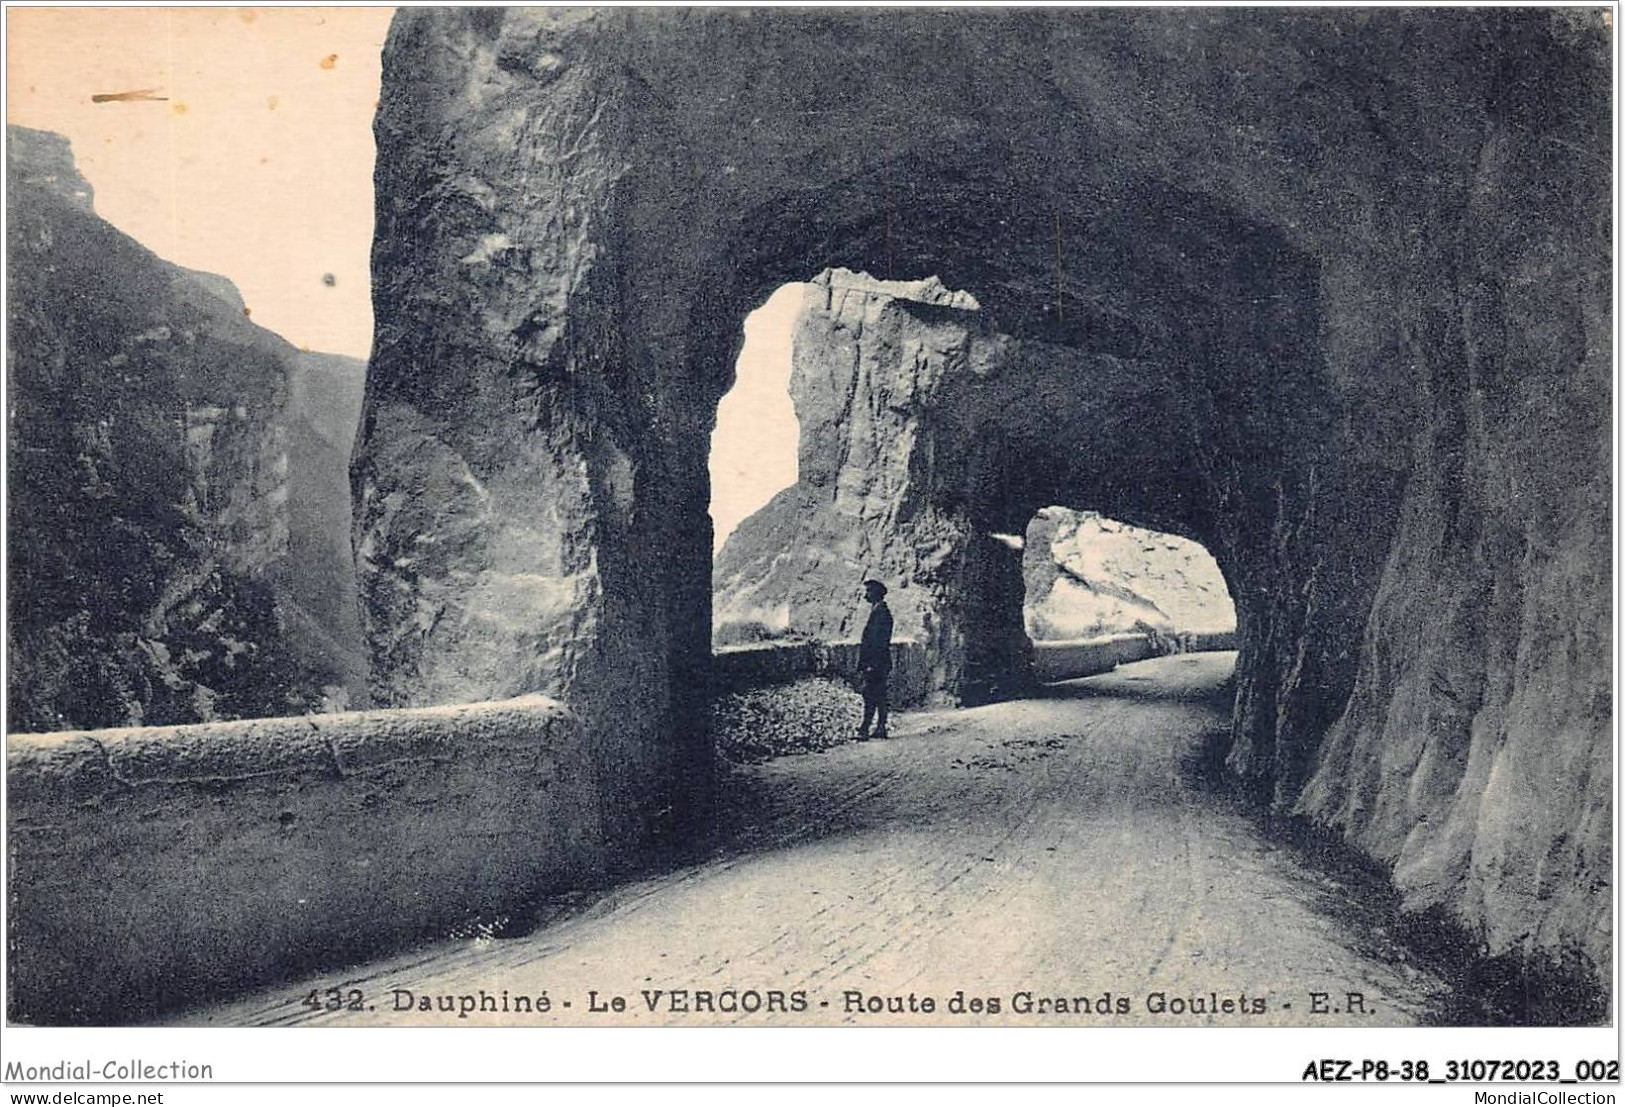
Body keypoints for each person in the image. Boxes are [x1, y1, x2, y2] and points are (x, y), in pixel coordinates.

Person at [857, 578, 893, 740]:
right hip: (878, 663)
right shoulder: (879, 612)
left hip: (876, 663)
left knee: (871, 695)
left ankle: (866, 729)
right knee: (878, 695)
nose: (866, 594)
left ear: (876, 593)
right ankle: (879, 727)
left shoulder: (881, 614)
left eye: (869, 591)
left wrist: (871, 665)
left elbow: (878, 643)